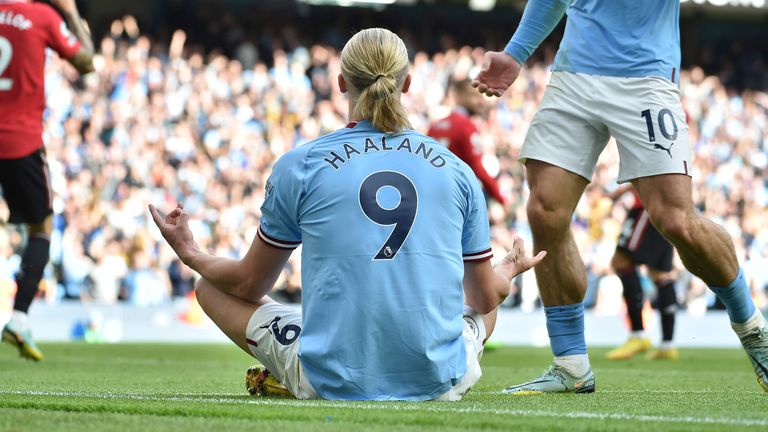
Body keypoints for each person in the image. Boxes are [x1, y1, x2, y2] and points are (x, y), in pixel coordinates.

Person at [150, 28, 545, 401]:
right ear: (406, 85)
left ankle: (306, 363)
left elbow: (249, 284)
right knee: (484, 304)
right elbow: (483, 296)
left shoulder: (300, 165)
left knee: (209, 286)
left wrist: (192, 254)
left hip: (327, 380)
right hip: (440, 380)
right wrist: (508, 269)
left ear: (341, 83)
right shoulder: (456, 170)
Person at [473, 0, 767, 394]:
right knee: (544, 209)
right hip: (573, 76)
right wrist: (515, 53)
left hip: (646, 77)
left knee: (677, 220)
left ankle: (754, 331)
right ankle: (570, 362)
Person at [0, 0, 94, 361]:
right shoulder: (42, 17)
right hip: (19, 141)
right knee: (41, 227)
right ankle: (20, 318)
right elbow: (86, 62)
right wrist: (70, 12)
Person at [606, 184, 679, 361]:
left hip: (647, 206)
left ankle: (638, 335)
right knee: (660, 275)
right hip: (665, 207)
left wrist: (626, 189)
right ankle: (667, 345)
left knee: (621, 262)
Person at [428, 79, 506, 206]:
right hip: (453, 197)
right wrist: (501, 199)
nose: (480, 101)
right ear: (459, 96)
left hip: (432, 195)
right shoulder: (466, 126)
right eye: (474, 96)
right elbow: (477, 168)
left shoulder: (434, 126)